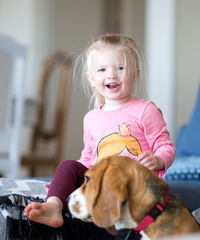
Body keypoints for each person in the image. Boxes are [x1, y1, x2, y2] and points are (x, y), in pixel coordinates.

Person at [24, 33, 176, 228]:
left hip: (132, 182)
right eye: (102, 69)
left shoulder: (145, 110)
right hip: (99, 179)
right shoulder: (91, 118)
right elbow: (88, 157)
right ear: (92, 79)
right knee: (67, 166)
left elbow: (166, 146)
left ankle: (104, 213)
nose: (111, 75)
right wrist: (65, 181)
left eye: (120, 68)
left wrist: (158, 159)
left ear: (135, 74)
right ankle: (53, 207)